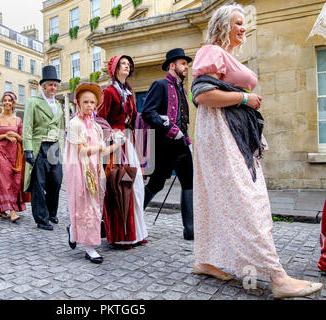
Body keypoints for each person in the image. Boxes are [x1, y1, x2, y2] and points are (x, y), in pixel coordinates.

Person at [190, 4, 323, 298]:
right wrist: (244, 98)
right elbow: (201, 93)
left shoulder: (224, 56)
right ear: (222, 24)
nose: (243, 28)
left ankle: (206, 259)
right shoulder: (211, 51)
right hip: (222, 134)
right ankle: (277, 277)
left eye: (244, 23)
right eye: (237, 22)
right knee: (246, 201)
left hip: (230, 132)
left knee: (223, 198)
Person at [64, 83, 124, 264]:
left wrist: (117, 144)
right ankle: (90, 248)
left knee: (94, 206)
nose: (89, 105)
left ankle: (74, 232)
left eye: (92, 102)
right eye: (85, 102)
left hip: (95, 170)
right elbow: (82, 151)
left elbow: (101, 152)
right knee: (86, 206)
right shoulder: (75, 124)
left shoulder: (96, 126)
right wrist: (102, 146)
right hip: (80, 171)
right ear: (78, 103)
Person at [141, 48, 194, 240]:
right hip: (164, 145)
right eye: (183, 63)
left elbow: (183, 118)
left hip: (181, 145)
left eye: (186, 64)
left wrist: (187, 140)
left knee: (189, 182)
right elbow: (148, 112)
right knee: (157, 184)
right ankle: (134, 218)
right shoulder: (160, 85)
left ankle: (191, 229)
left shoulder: (182, 89)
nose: (186, 67)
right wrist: (170, 128)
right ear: (172, 66)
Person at [97, 55, 148, 248]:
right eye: (123, 64)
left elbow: (134, 118)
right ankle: (121, 235)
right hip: (116, 144)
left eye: (129, 64)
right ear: (115, 68)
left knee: (135, 187)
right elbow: (100, 119)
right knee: (119, 186)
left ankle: (137, 233)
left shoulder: (128, 91)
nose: (127, 67)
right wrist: (112, 136)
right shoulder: (109, 92)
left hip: (129, 141)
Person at [23, 66, 64, 231]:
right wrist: (27, 149)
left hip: (54, 146)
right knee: (39, 184)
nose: (53, 87)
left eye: (55, 85)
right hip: (39, 144)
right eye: (49, 85)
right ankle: (41, 218)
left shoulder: (59, 105)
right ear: (43, 86)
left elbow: (61, 128)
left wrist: (62, 148)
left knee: (56, 180)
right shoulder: (33, 102)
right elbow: (27, 126)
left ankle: (52, 211)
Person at [0, 92, 29, 223]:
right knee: (5, 181)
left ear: (13, 103)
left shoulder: (18, 120)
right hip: (0, 154)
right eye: (4, 100)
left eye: (9, 101)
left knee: (16, 181)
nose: (7, 103)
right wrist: (5, 136)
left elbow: (23, 139)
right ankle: (11, 211)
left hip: (15, 154)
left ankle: (1, 208)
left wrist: (16, 136)